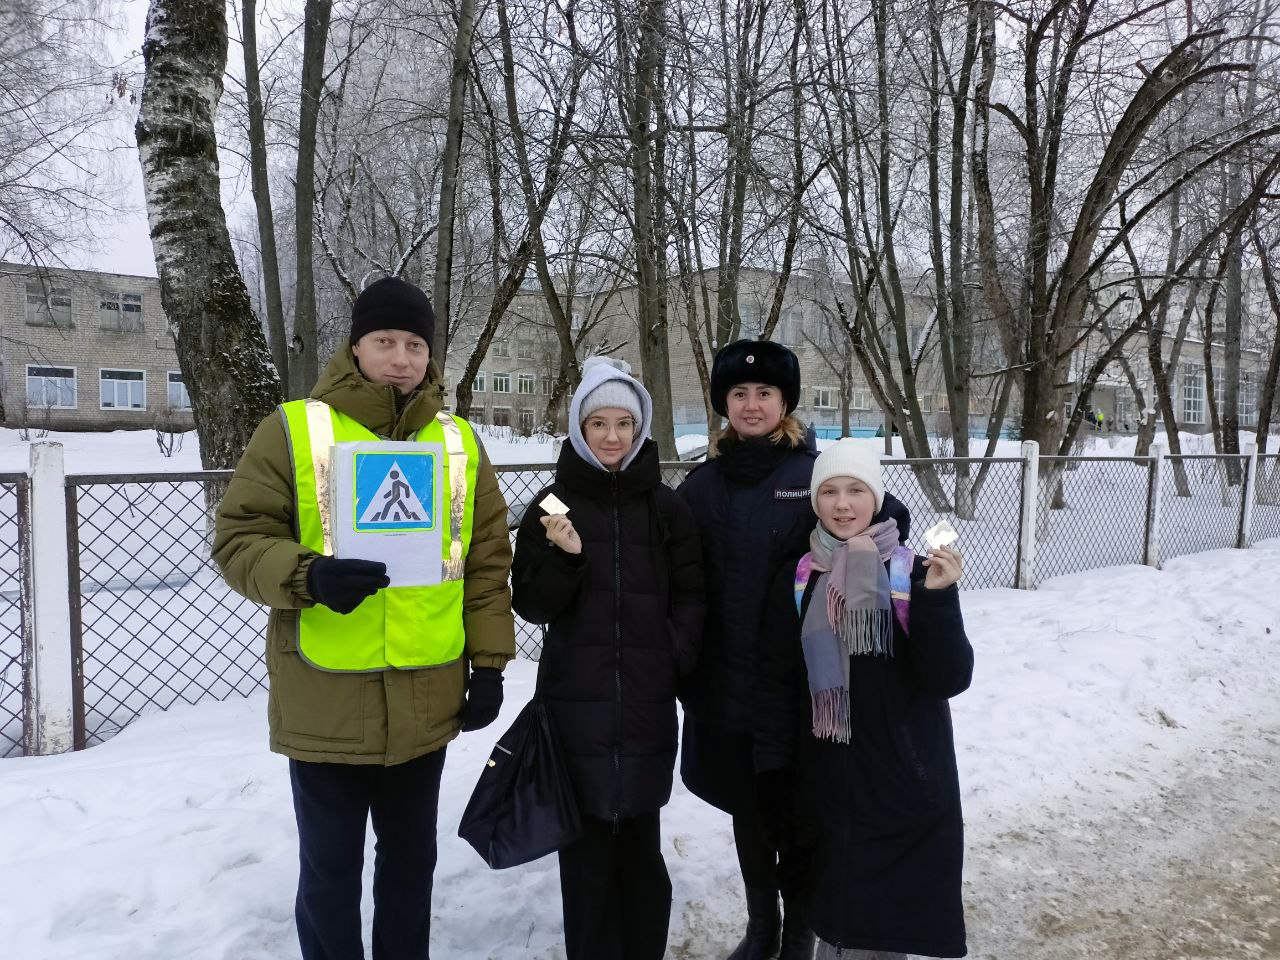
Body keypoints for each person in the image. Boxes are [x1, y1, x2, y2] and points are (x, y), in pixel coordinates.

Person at [212, 276, 516, 960]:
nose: (402, 357)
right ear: (356, 347)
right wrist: (308, 574)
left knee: (411, 868)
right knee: (329, 873)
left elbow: (487, 563)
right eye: (386, 341)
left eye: (415, 344)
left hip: (426, 698)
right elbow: (238, 541)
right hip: (325, 702)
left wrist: (491, 666)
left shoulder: (459, 444)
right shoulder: (294, 429)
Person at [510, 356, 705, 960]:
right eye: (599, 423)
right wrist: (566, 559)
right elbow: (532, 605)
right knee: (588, 851)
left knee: (642, 846)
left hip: (646, 701)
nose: (613, 436)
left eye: (624, 422)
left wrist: (672, 655)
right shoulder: (550, 506)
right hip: (577, 704)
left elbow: (694, 593)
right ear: (579, 428)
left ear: (641, 426)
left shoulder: (668, 508)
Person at [754, 439, 973, 960]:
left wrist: (939, 601)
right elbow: (777, 681)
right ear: (815, 501)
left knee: (882, 936)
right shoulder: (800, 577)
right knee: (834, 926)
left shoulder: (910, 574)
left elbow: (949, 678)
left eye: (856, 490)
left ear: (876, 497)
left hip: (899, 783)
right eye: (829, 491)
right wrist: (775, 775)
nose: (842, 504)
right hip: (826, 786)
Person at [675, 339, 821, 959]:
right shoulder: (701, 487)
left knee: (800, 814)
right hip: (725, 685)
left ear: (784, 402)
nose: (752, 404)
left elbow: (879, 527)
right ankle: (762, 928)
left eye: (765, 393)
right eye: (739, 393)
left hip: (800, 686)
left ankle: (800, 935)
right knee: (748, 812)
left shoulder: (817, 477)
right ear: (722, 404)